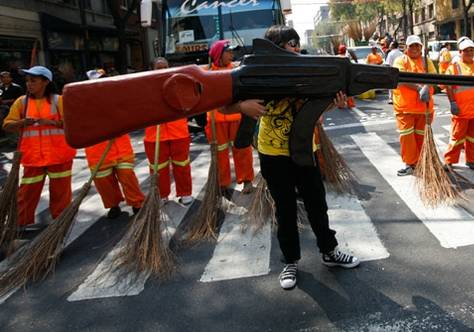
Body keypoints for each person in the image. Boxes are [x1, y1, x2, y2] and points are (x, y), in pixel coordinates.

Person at [258, 25, 360, 290]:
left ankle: (329, 251)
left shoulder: (307, 70)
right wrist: (241, 106)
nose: (296, 46)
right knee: (286, 209)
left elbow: (312, 111)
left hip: (305, 150)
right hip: (273, 152)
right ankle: (290, 261)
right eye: (291, 42)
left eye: (297, 42)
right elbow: (223, 100)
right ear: (275, 47)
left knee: (317, 204)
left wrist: (334, 103)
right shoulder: (258, 72)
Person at [2, 66, 77, 227]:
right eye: (27, 81)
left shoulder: (59, 101)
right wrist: (21, 122)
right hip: (33, 158)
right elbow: (7, 126)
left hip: (59, 156)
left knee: (61, 195)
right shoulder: (21, 102)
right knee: (26, 194)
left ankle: (60, 226)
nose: (28, 84)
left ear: (46, 82)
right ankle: (18, 226)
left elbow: (72, 125)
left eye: (33, 80)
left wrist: (52, 122)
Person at [81, 70, 145, 219]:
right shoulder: (83, 104)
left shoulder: (117, 98)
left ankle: (137, 203)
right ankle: (113, 205)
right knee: (104, 182)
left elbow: (130, 117)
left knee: (128, 176)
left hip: (121, 147)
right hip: (98, 150)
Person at [205, 39, 257, 196]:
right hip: (216, 120)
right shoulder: (206, 72)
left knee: (242, 149)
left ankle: (247, 180)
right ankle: (222, 183)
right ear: (218, 54)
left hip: (236, 116)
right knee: (219, 153)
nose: (232, 54)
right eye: (229, 52)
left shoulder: (236, 69)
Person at [144, 57, 194, 205]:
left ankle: (185, 192)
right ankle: (162, 194)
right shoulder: (146, 87)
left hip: (178, 130)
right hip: (155, 133)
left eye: (166, 67)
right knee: (158, 167)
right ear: (152, 70)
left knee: (182, 164)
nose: (164, 70)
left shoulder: (178, 83)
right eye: (159, 68)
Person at [392, 35, 437, 176]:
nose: (415, 48)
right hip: (405, 108)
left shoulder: (426, 61)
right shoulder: (401, 60)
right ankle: (410, 164)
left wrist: (427, 86)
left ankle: (420, 163)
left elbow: (434, 76)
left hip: (423, 108)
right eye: (411, 46)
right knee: (407, 137)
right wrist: (419, 88)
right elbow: (401, 77)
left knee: (421, 138)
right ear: (406, 48)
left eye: (417, 46)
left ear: (421, 48)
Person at [442, 37, 474, 170]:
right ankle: (449, 160)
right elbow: (448, 86)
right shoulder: (454, 67)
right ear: (460, 52)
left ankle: (471, 160)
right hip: (462, 109)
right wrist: (452, 103)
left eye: (471, 50)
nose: (469, 53)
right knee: (457, 137)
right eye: (466, 50)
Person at [0, 71, 24, 148]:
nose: (6, 79)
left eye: (7, 77)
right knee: (5, 123)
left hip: (13, 108)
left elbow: (21, 98)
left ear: (11, 78)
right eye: (4, 77)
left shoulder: (16, 88)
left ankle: (17, 140)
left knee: (15, 123)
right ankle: (11, 140)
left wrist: (10, 101)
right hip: (1, 108)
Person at [337, 45, 356, 109]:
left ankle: (341, 104)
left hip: (339, 78)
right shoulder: (347, 58)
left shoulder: (336, 58)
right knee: (348, 91)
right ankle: (350, 104)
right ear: (345, 50)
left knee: (340, 92)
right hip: (347, 78)